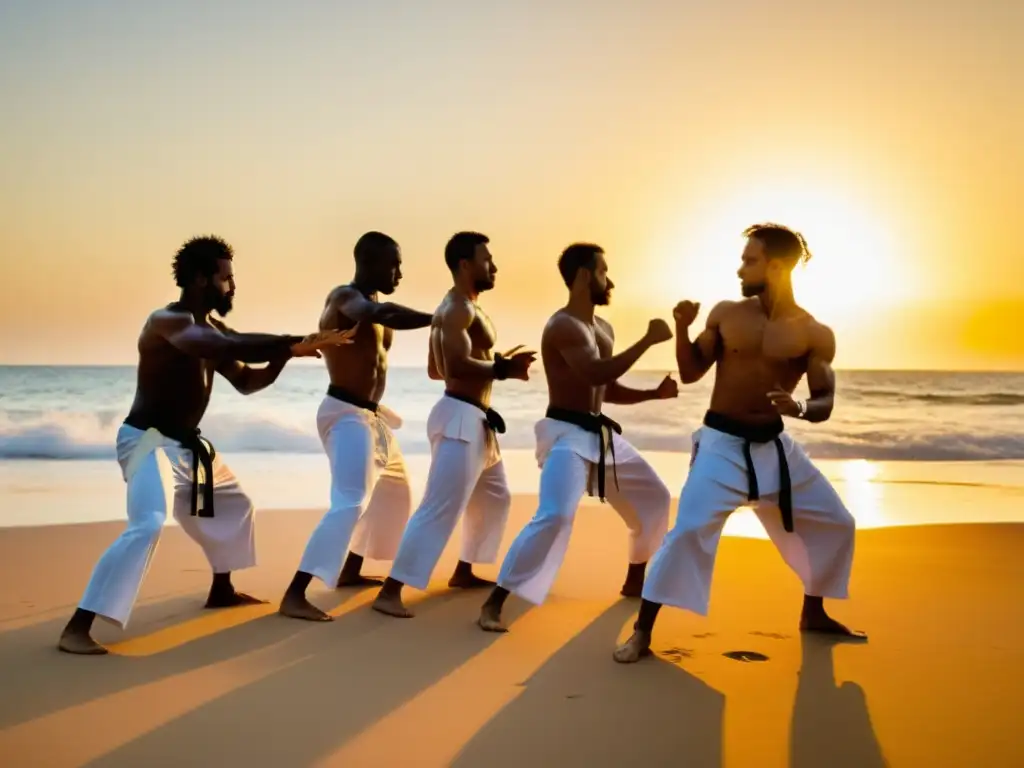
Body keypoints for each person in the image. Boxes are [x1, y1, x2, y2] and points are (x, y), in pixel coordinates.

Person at [57, 235, 350, 655]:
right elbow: (225, 346)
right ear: (200, 279)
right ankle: (77, 627)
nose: (233, 286)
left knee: (234, 505)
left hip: (183, 444)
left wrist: (285, 356)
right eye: (226, 278)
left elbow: (247, 381)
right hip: (145, 441)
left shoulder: (213, 329)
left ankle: (221, 589)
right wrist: (291, 341)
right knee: (148, 522)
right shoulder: (168, 322)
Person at [614, 223, 867, 664]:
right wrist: (680, 328)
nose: (740, 268)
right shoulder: (727, 314)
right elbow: (693, 372)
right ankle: (642, 632)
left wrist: (801, 409)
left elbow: (825, 399)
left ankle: (814, 612)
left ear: (776, 266)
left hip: (776, 449)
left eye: (750, 260)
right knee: (689, 530)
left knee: (837, 522)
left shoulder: (813, 332)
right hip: (722, 445)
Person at [477, 243, 677, 633]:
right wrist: (648, 340)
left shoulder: (604, 328)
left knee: (655, 496)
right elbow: (593, 373)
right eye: (604, 270)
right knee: (554, 515)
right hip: (566, 435)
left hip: (600, 435)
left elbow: (607, 388)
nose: (610, 280)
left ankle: (635, 579)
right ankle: (494, 602)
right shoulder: (562, 325)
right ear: (585, 275)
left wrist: (653, 393)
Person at [372, 232, 535, 618]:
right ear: (465, 265)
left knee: (495, 497)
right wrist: (501, 368)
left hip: (475, 420)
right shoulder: (457, 308)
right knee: (439, 507)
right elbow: (456, 366)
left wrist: (492, 361)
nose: (493, 266)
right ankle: (391, 591)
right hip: (461, 419)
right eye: (486, 259)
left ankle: (464, 570)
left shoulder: (463, 309)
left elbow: (434, 369)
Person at [279, 231, 436, 622]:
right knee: (350, 500)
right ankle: (295, 593)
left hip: (371, 415)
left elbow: (383, 321)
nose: (399, 272)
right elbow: (378, 313)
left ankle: (350, 568)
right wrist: (439, 318)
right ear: (369, 263)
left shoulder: (378, 306)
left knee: (397, 491)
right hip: (345, 414)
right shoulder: (345, 298)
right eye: (393, 264)